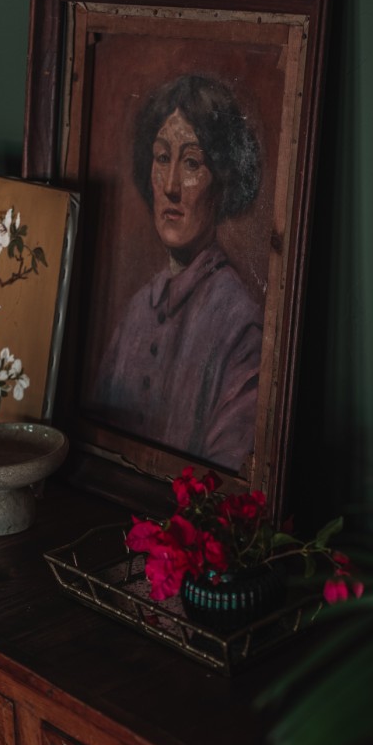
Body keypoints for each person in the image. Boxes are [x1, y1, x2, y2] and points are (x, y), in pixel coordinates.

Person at [89, 74, 264, 474]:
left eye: (191, 163)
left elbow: (228, 479)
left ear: (221, 181)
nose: (170, 186)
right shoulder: (136, 311)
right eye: (162, 158)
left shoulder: (240, 325)